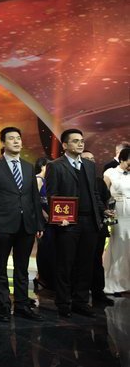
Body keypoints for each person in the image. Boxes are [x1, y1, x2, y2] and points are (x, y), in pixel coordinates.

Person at [46, 129, 111, 318]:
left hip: (90, 221)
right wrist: (59, 218)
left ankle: (80, 301)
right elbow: (52, 195)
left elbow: (95, 193)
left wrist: (102, 210)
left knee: (86, 264)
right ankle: (63, 302)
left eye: (82, 140)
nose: (80, 144)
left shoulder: (89, 165)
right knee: (65, 264)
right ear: (65, 145)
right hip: (68, 222)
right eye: (75, 141)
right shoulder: (55, 166)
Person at [0, 127, 44, 322]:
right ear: (3, 143)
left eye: (18, 138)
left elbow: (34, 197)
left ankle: (22, 305)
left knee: (22, 268)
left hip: (26, 224)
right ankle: (3, 305)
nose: (17, 141)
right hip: (1, 224)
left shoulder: (28, 166)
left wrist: (39, 223)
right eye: (11, 138)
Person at [81, 150, 114, 306]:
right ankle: (79, 295)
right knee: (82, 262)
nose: (91, 161)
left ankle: (98, 292)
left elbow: (105, 201)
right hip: (81, 227)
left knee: (97, 261)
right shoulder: (76, 180)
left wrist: (107, 211)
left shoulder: (99, 181)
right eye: (87, 159)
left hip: (98, 226)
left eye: (92, 159)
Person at [103, 147, 130, 294]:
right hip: (118, 211)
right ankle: (115, 282)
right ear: (122, 159)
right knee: (119, 246)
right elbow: (103, 193)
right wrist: (105, 209)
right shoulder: (110, 172)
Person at [33, 157, 55, 291]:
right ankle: (41, 277)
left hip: (52, 220)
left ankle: (47, 278)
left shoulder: (49, 180)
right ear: (42, 166)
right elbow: (34, 200)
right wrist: (43, 214)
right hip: (43, 220)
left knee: (50, 249)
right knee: (44, 249)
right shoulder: (38, 179)